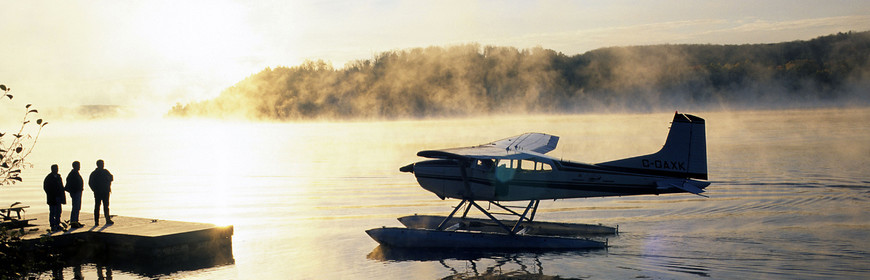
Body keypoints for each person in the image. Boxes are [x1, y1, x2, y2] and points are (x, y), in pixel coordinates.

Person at [89, 159, 114, 225]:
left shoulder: (105, 171)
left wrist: (109, 179)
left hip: (105, 192)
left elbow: (111, 178)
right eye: (101, 164)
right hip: (99, 192)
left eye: (103, 164)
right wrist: (94, 190)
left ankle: (107, 219)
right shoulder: (94, 173)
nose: (103, 165)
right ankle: (97, 221)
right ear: (98, 165)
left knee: (105, 206)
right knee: (98, 206)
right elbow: (90, 183)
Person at [43, 164, 66, 232]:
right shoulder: (49, 178)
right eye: (55, 168)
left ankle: (58, 224)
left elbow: (61, 186)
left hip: (59, 197)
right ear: (52, 169)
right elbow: (46, 188)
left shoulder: (59, 177)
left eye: (57, 168)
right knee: (52, 212)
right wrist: (51, 194)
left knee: (59, 211)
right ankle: (52, 225)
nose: (56, 170)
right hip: (52, 198)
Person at [64, 161, 84, 228]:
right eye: (78, 165)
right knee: (75, 207)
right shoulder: (72, 174)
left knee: (77, 207)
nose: (79, 167)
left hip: (78, 192)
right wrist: (73, 191)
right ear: (74, 166)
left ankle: (76, 221)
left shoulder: (75, 173)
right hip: (75, 192)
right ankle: (73, 222)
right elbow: (70, 183)